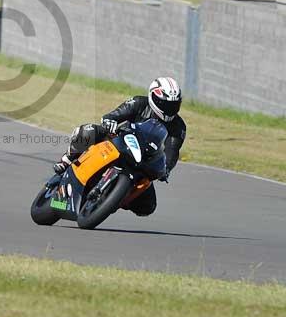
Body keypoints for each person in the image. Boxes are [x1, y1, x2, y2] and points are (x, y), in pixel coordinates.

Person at [53, 77, 186, 217]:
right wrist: (110, 121)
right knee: (89, 131)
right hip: (119, 141)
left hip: (144, 160)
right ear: (153, 97)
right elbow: (112, 116)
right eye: (164, 104)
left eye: (173, 105)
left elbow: (172, 151)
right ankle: (66, 160)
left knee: (148, 206)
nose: (169, 109)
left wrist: (167, 169)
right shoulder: (139, 103)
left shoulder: (178, 126)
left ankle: (115, 198)